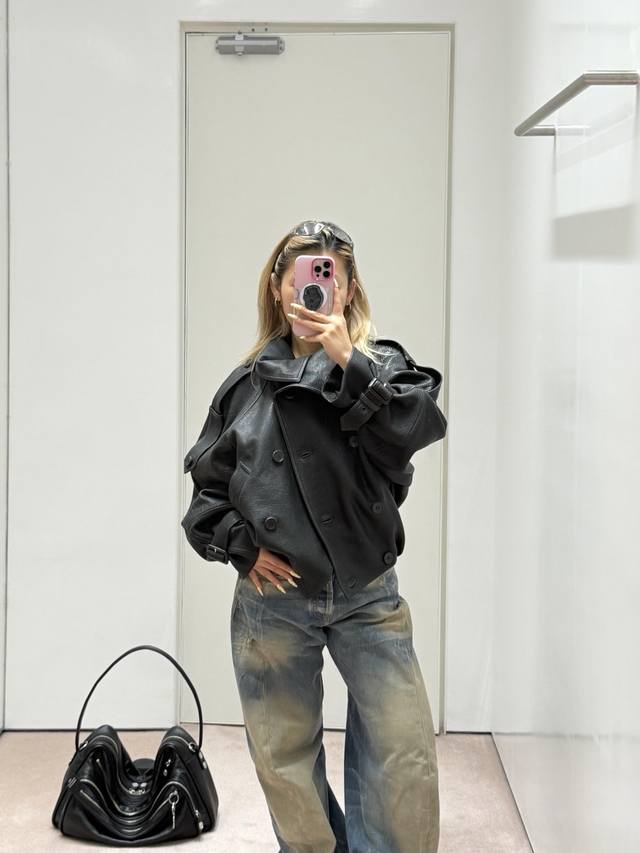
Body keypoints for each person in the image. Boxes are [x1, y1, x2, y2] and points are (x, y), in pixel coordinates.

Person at [182, 220, 447, 853]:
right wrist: (242, 547)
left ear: (349, 289)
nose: (313, 290)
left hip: (367, 593)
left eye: (330, 277)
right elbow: (207, 492)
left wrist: (349, 361)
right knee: (285, 763)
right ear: (278, 288)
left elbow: (419, 425)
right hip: (274, 601)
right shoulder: (245, 387)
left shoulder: (382, 369)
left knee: (403, 754)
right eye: (300, 277)